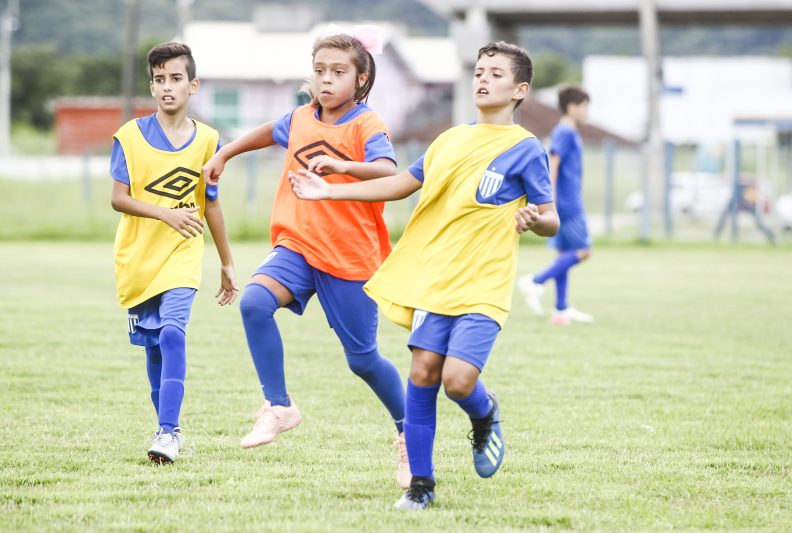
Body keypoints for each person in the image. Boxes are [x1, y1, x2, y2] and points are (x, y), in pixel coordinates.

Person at [290, 41, 559, 510]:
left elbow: (553, 217)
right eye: (478, 71)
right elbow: (400, 183)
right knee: (423, 372)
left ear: (520, 89)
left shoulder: (525, 149)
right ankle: (421, 485)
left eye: (495, 74)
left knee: (457, 380)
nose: (482, 79)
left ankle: (484, 412)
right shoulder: (451, 139)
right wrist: (332, 187)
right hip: (434, 278)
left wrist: (536, 220)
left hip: (484, 281)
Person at [201, 27, 410, 487]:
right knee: (254, 303)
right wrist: (227, 153)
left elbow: (387, 171)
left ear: (361, 79)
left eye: (339, 72)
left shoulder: (366, 125)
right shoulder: (299, 118)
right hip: (297, 244)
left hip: (350, 256)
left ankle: (408, 434)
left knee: (362, 360)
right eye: (319, 72)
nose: (327, 80)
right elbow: (268, 132)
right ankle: (279, 406)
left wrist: (341, 168)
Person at [111, 42, 239, 464]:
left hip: (184, 255)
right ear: (152, 87)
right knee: (153, 347)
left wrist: (225, 260)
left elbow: (211, 204)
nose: (168, 87)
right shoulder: (129, 136)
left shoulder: (209, 140)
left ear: (193, 85)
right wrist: (166, 214)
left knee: (172, 332)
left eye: (176, 79)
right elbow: (118, 198)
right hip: (138, 258)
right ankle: (168, 426)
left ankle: (167, 432)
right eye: (160, 80)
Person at [517, 86, 593, 325]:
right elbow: (553, 162)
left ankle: (561, 309)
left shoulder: (568, 131)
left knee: (564, 254)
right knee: (583, 251)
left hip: (567, 199)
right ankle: (535, 281)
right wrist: (550, 199)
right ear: (572, 107)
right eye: (584, 107)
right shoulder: (565, 132)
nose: (587, 112)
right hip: (567, 202)